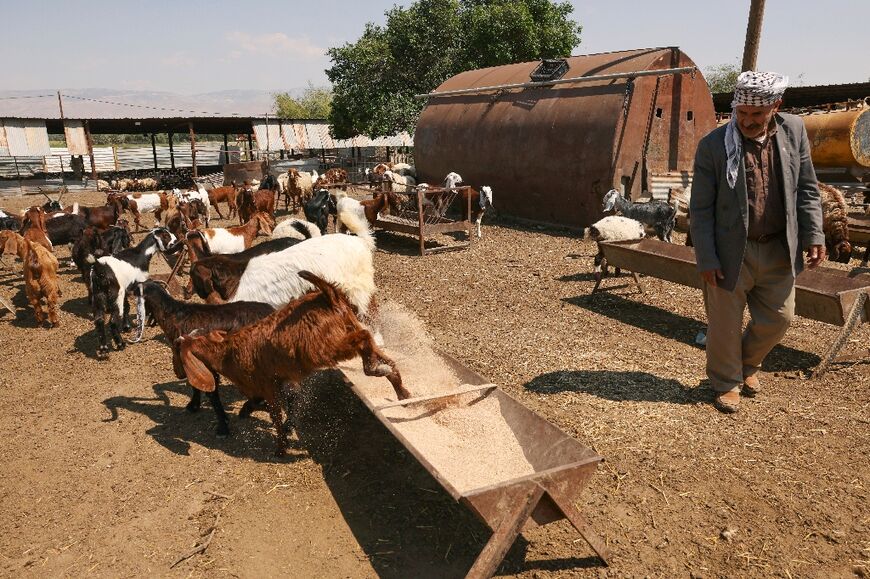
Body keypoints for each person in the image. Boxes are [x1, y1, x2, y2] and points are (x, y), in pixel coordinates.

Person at [689, 71, 826, 413]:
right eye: (742, 114)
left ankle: (747, 365)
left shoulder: (794, 131)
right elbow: (701, 208)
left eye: (756, 115)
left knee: (780, 319)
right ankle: (726, 382)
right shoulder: (712, 146)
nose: (747, 122)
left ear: (775, 107)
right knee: (723, 324)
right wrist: (706, 257)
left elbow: (807, 188)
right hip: (730, 250)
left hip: (779, 246)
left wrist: (814, 233)